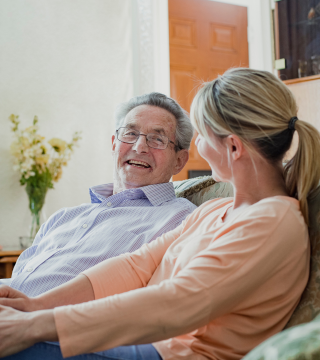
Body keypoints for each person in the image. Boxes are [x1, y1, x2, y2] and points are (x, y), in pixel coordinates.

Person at [1, 68, 320, 360]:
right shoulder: (215, 210)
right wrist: (35, 306)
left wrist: (35, 326)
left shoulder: (273, 222)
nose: (199, 148)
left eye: (203, 138)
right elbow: (134, 266)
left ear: (233, 148)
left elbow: (177, 303)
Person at [0, 92, 196, 297]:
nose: (139, 147)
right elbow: (17, 282)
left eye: (157, 138)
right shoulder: (63, 217)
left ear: (179, 161)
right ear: (114, 144)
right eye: (130, 134)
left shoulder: (182, 219)